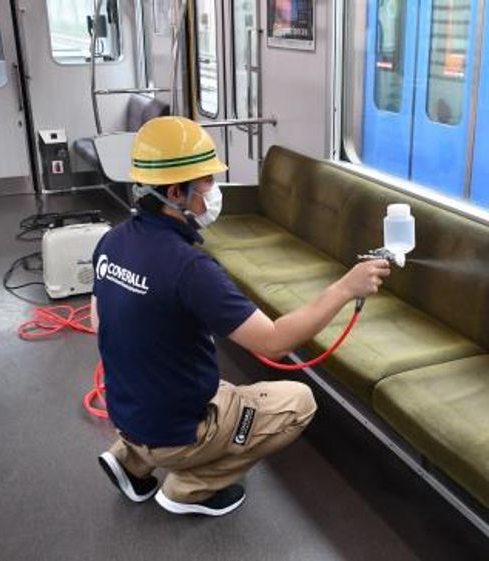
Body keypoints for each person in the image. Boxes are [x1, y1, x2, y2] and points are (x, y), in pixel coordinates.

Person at [91, 116, 390, 516]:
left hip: (127, 412)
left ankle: (132, 458)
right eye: (208, 182)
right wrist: (345, 288)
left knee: (218, 388)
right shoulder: (189, 269)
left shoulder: (112, 240)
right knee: (298, 401)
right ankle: (193, 486)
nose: (214, 192)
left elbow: (99, 322)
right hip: (178, 432)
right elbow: (275, 342)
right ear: (177, 192)